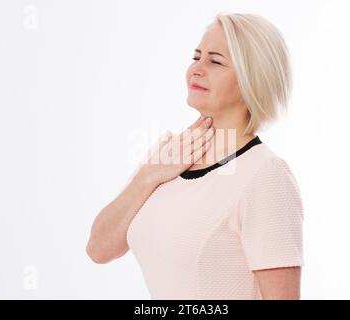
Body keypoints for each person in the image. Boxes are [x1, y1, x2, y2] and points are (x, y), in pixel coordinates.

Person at [86, 12, 304, 300]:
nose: (196, 70)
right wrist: (149, 175)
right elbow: (99, 249)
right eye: (196, 57)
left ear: (252, 78)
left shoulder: (265, 174)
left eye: (215, 61)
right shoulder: (168, 156)